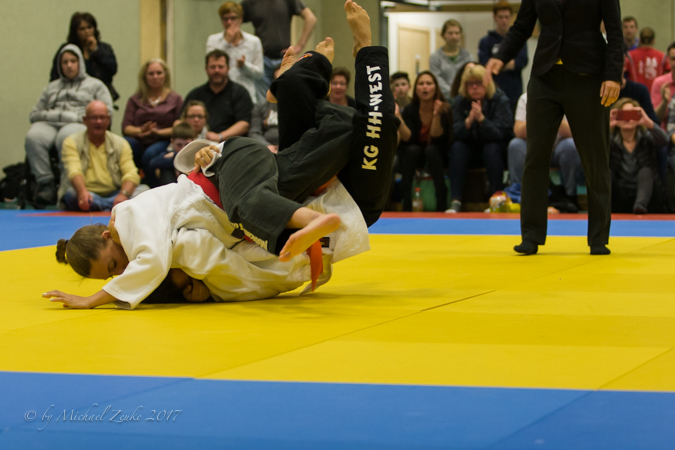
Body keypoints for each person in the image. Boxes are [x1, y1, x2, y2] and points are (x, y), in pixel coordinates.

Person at [45, 1, 398, 310]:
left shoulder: (131, 224)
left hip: (241, 182)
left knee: (250, 203)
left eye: (113, 267)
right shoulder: (179, 253)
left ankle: (359, 51)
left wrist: (96, 299)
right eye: (114, 275)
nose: (121, 271)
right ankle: (304, 72)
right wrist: (208, 292)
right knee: (349, 123)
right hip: (301, 189)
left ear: (107, 237)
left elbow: (152, 259)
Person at [485, 0, 623, 256]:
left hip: (588, 77)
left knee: (595, 158)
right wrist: (501, 56)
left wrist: (613, 75)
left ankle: (598, 238)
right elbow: (522, 26)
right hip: (544, 77)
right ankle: (531, 235)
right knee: (535, 155)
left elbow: (615, 31)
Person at [26, 44, 113, 207]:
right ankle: (45, 183)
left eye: (73, 61)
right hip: (50, 123)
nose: (69, 65)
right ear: (60, 65)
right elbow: (34, 113)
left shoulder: (95, 85)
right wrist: (57, 116)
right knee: (33, 137)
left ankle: (66, 188)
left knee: (66, 138)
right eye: (65, 62)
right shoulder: (51, 87)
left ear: (80, 62)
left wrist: (77, 117)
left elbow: (107, 110)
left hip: (78, 122)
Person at [59, 101, 147, 211]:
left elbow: (131, 173)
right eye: (94, 118)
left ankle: (102, 206)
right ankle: (116, 207)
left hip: (116, 193)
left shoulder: (121, 143)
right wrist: (82, 191)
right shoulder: (72, 142)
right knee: (71, 194)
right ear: (85, 120)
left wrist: (123, 194)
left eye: (102, 117)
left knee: (144, 190)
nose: (99, 121)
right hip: (87, 193)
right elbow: (74, 171)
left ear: (108, 120)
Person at [449, 64, 513, 213]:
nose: (474, 87)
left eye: (478, 83)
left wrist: (482, 120)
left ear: (486, 84)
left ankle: (496, 200)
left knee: (491, 149)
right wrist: (468, 122)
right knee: (457, 148)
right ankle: (456, 200)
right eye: (470, 84)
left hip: (495, 149)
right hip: (470, 150)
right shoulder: (460, 101)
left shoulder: (500, 100)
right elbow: (454, 134)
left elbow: (502, 134)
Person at [508, 93, 581, 212]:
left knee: (570, 145)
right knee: (515, 145)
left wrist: (555, 115)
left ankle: (570, 195)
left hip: (559, 149)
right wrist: (537, 115)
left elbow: (576, 134)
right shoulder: (526, 97)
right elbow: (518, 132)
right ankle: (517, 195)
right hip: (533, 148)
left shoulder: (570, 96)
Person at [122, 58, 183, 187]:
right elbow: (126, 128)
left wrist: (158, 132)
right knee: (125, 144)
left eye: (159, 73)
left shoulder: (175, 98)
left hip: (164, 140)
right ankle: (130, 183)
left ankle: (151, 187)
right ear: (145, 76)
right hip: (139, 140)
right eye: (151, 73)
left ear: (165, 75)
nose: (155, 77)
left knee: (150, 154)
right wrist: (141, 130)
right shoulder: (135, 99)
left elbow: (178, 128)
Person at [397, 71, 452, 212]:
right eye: (421, 84)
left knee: (431, 150)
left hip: (438, 153)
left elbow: (436, 137)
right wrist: (398, 117)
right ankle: (406, 203)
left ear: (435, 87)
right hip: (415, 154)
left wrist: (436, 115)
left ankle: (441, 201)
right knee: (412, 150)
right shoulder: (410, 109)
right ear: (416, 89)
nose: (425, 87)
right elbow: (408, 138)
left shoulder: (444, 108)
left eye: (429, 83)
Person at [241, 0, 317, 100]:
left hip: (283, 59)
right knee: (262, 101)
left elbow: (311, 18)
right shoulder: (250, 2)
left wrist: (300, 46)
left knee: (287, 97)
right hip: (262, 60)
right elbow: (233, 17)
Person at [182, 50, 253, 145]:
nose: (216, 70)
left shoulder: (240, 93)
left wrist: (220, 136)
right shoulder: (195, 94)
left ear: (228, 68)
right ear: (206, 69)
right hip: (198, 143)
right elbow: (181, 120)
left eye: (220, 67)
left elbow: (244, 124)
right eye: (212, 67)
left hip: (231, 144)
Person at [609, 98, 668, 214]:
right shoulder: (609, 141)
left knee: (646, 171)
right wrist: (606, 126)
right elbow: (591, 151)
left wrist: (647, 122)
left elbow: (665, 141)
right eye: (623, 115)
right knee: (606, 173)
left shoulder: (647, 138)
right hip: (619, 196)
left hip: (649, 197)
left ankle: (640, 205)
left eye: (632, 115)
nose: (627, 119)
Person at [49, 12, 118, 102]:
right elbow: (55, 75)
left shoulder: (104, 48)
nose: (87, 31)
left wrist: (96, 51)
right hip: (71, 94)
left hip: (99, 95)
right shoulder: (67, 50)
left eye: (89, 27)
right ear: (75, 31)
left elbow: (112, 69)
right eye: (82, 29)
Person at [206, 1, 264, 104]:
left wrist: (244, 66)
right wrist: (226, 42)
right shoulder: (213, 40)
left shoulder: (253, 41)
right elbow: (211, 66)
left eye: (233, 18)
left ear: (240, 19)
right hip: (220, 96)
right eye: (225, 19)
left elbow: (259, 73)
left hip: (246, 95)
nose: (229, 22)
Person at [478, 1, 529, 114]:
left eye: (506, 17)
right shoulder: (486, 41)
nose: (504, 20)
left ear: (511, 17)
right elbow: (485, 64)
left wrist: (497, 64)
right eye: (501, 17)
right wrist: (508, 63)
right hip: (492, 92)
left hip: (513, 93)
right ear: (495, 18)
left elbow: (521, 62)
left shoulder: (519, 41)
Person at [430, 19, 475, 101]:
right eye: (450, 33)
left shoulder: (468, 56)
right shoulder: (435, 57)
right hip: (443, 100)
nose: (454, 36)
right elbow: (437, 79)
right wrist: (452, 93)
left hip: (464, 99)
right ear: (443, 35)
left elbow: (471, 76)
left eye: (457, 33)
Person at [147, 122, 195, 186]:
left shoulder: (196, 154)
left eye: (187, 144)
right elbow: (153, 163)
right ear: (172, 142)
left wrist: (174, 155)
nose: (183, 148)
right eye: (179, 145)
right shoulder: (169, 152)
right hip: (172, 184)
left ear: (193, 141)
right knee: (166, 170)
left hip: (192, 186)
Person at [624, 27, 670, 92]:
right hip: (656, 94)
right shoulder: (662, 57)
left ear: (639, 40)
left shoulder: (630, 55)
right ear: (653, 41)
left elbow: (622, 71)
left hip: (635, 94)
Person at [250, 65, 281, 152]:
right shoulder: (261, 105)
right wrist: (267, 146)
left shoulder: (300, 105)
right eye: (277, 79)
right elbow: (254, 132)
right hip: (266, 150)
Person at [650, 42, 675, 128]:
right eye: (673, 59)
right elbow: (655, 118)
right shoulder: (659, 83)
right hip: (665, 134)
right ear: (668, 60)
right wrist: (664, 102)